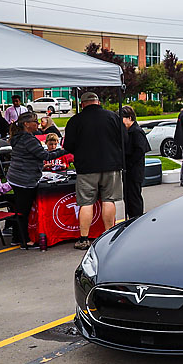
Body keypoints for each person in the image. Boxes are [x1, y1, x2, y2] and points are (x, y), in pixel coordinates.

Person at [63, 92, 123, 250]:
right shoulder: (113, 117)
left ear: (82, 104)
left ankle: (84, 238)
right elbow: (124, 140)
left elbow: (68, 145)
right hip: (111, 165)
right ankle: (109, 235)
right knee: (109, 200)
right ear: (97, 102)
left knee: (86, 203)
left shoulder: (75, 120)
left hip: (86, 168)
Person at [6, 112, 66, 248]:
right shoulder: (29, 139)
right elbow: (44, 155)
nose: (38, 124)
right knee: (23, 210)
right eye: (35, 121)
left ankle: (17, 237)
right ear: (26, 124)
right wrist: (65, 151)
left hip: (16, 176)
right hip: (24, 179)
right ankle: (23, 240)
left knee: (20, 208)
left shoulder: (18, 137)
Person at [120, 106, 151, 219]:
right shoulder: (129, 131)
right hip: (129, 170)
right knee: (128, 196)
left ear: (129, 118)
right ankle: (131, 216)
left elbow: (139, 150)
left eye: (122, 118)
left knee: (134, 197)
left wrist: (128, 163)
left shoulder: (137, 132)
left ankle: (136, 218)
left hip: (134, 170)